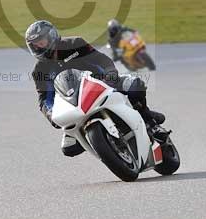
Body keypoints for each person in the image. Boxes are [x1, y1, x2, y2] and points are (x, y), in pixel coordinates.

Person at [25, 20, 169, 157]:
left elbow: (102, 60)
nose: (39, 47)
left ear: (51, 37)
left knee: (135, 85)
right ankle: (101, 142)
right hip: (74, 103)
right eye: (35, 45)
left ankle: (150, 121)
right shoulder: (40, 70)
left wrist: (111, 75)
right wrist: (51, 115)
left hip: (103, 83)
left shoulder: (75, 43)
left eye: (41, 42)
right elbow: (45, 99)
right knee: (69, 149)